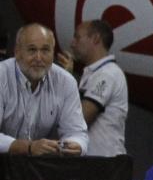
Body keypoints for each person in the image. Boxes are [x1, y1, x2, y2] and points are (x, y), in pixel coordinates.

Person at [0, 23, 88, 156]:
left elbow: (77, 132)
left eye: (45, 50)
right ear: (17, 52)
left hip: (41, 165)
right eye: (32, 50)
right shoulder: (2, 75)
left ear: (53, 53)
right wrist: (28, 147)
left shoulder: (66, 82)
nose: (39, 58)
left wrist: (75, 145)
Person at [71, 19, 127, 158]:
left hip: (105, 163)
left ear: (95, 38)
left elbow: (80, 119)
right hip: (94, 162)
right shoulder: (94, 73)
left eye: (77, 37)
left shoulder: (107, 74)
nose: (72, 44)